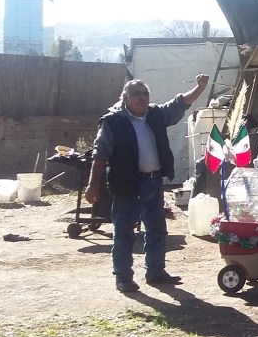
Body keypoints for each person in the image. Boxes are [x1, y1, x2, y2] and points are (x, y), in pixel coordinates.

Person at [86, 74, 210, 293]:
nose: (142, 98)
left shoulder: (154, 115)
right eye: (137, 95)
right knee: (124, 233)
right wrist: (93, 185)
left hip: (153, 182)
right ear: (125, 97)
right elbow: (100, 155)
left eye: (145, 94)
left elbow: (179, 103)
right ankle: (123, 277)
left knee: (157, 230)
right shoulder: (112, 122)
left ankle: (155, 272)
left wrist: (199, 88)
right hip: (127, 185)